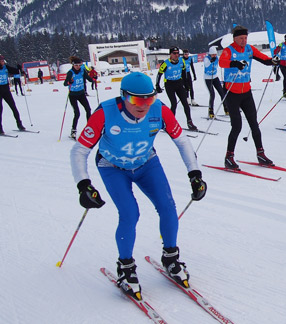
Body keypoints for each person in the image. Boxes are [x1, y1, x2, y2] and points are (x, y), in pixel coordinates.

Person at [70, 71, 207, 300]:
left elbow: (182, 141)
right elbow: (80, 150)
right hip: (112, 167)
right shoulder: (105, 112)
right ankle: (125, 268)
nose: (143, 105)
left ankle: (171, 257)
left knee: (167, 206)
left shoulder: (159, 110)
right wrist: (83, 185)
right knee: (130, 213)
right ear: (123, 96)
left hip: (146, 164)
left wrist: (195, 174)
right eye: (136, 99)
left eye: (149, 98)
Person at [218, 25, 278, 169]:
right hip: (232, 92)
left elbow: (263, 59)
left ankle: (261, 154)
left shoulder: (250, 49)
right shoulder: (229, 50)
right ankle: (229, 157)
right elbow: (221, 62)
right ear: (235, 38)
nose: (244, 41)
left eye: (245, 38)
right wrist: (234, 63)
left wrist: (272, 60)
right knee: (237, 126)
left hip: (246, 92)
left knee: (254, 124)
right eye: (241, 38)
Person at [155, 46, 197, 131]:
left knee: (185, 103)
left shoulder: (182, 61)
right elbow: (159, 74)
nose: (176, 55)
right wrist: (157, 86)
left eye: (177, 53)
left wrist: (186, 84)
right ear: (170, 54)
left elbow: (184, 72)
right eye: (174, 53)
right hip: (169, 85)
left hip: (179, 83)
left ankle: (189, 122)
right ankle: (169, 123)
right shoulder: (166, 63)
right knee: (174, 104)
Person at [64, 56, 95, 138]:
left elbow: (88, 78)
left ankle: (90, 128)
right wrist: (69, 82)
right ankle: (73, 131)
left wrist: (94, 78)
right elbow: (65, 83)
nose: (78, 67)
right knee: (77, 113)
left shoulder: (82, 71)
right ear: (73, 65)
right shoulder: (70, 72)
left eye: (79, 65)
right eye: (76, 65)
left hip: (81, 94)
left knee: (88, 109)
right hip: (73, 95)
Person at [0, 56, 26, 133]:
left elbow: (15, 71)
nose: (3, 62)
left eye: (3, 60)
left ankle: (19, 124)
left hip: (6, 90)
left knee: (13, 107)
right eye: (1, 60)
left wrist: (20, 69)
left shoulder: (6, 67)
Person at [203, 46, 227, 119]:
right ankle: (211, 111)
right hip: (208, 78)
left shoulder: (217, 58)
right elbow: (207, 65)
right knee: (212, 94)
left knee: (222, 92)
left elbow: (222, 62)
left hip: (215, 77)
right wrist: (211, 61)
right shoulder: (206, 58)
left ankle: (226, 108)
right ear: (210, 54)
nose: (214, 56)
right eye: (213, 54)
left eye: (215, 54)